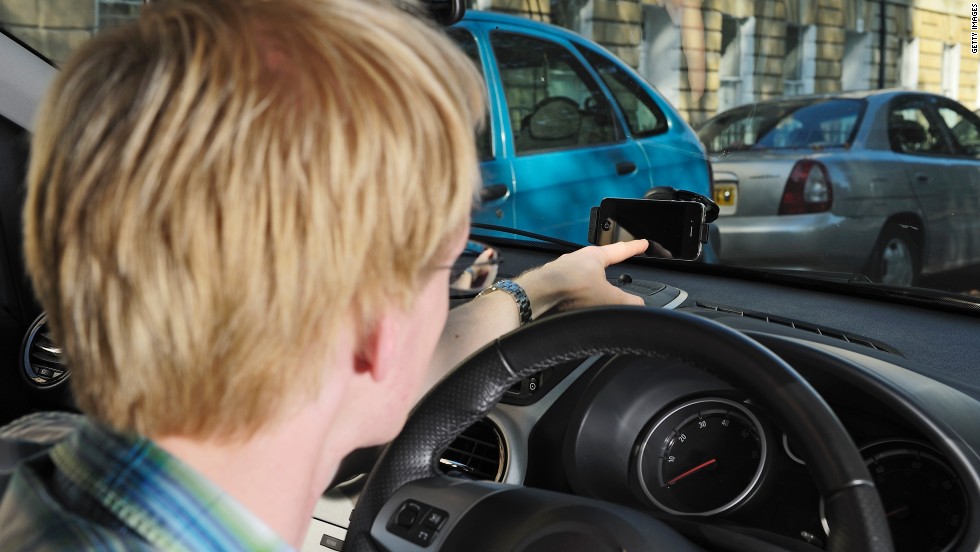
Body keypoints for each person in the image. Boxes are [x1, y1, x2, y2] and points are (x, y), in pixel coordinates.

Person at [0, 0, 648, 549]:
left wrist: (533, 291)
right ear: (375, 327)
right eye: (444, 269)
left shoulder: (29, 448)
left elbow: (349, 372)